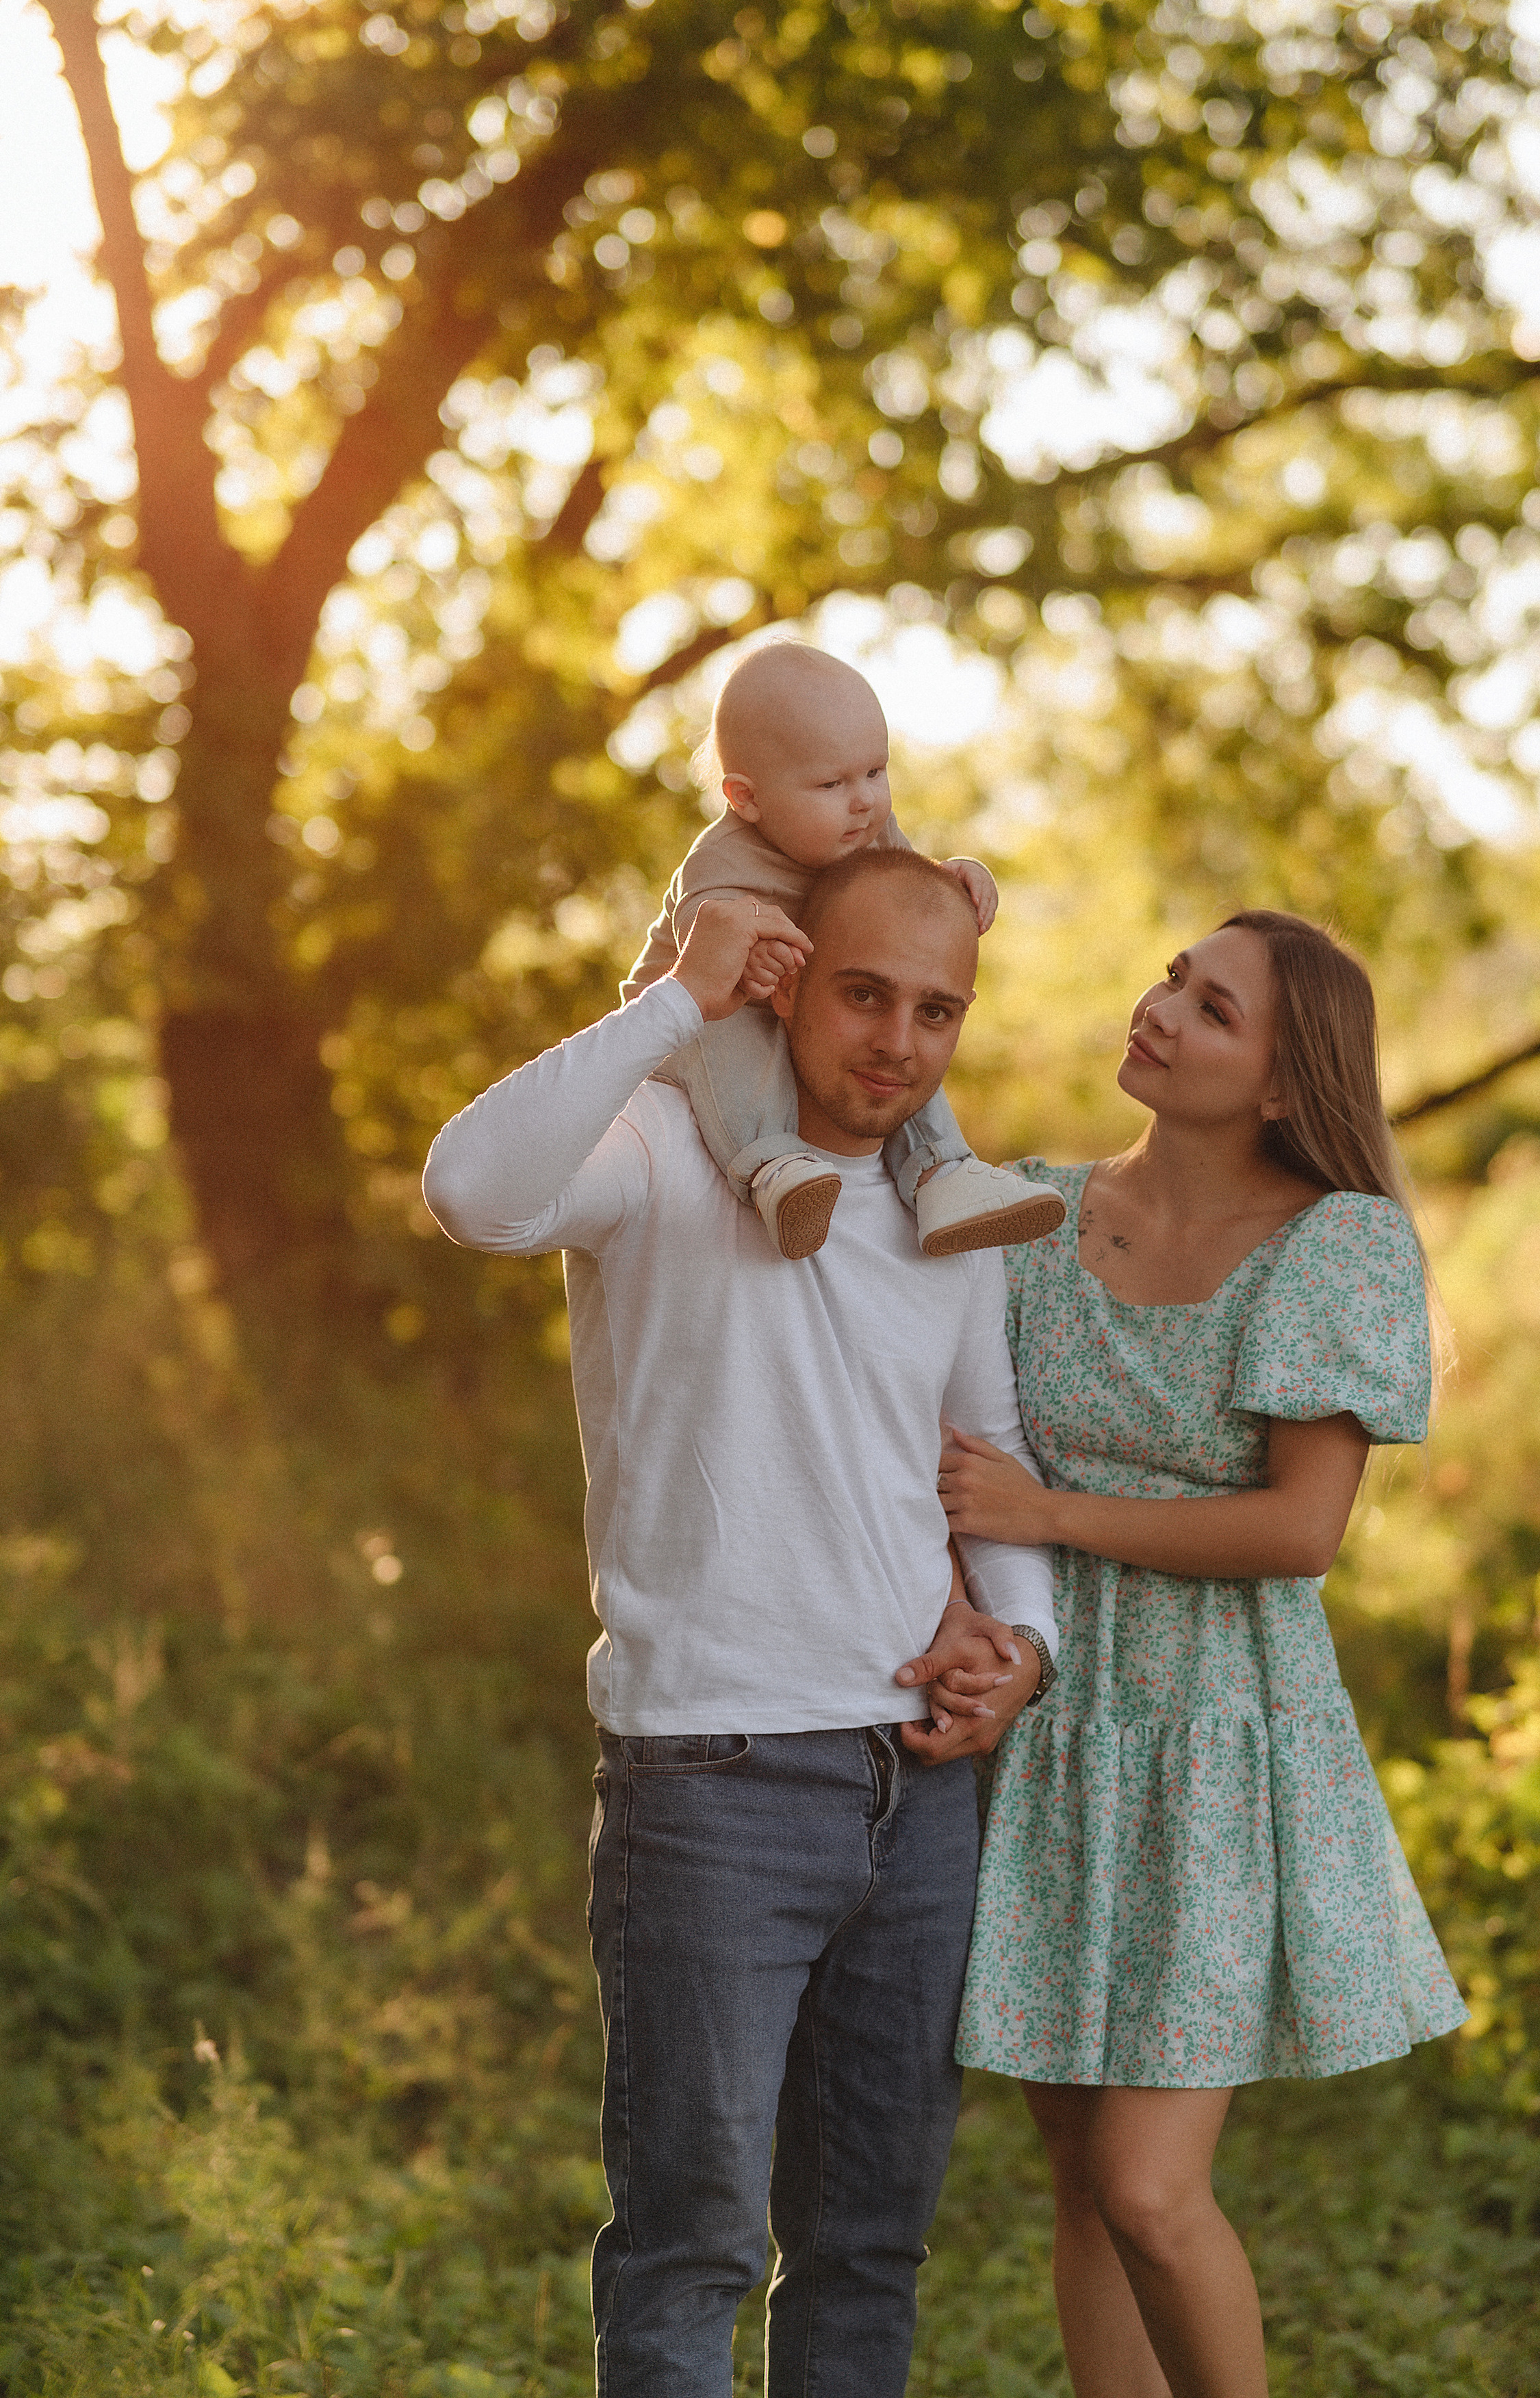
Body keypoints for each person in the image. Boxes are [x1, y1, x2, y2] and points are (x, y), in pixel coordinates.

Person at [422, 845, 1061, 2398]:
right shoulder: (658, 1149)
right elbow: (466, 1188)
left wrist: (1024, 1648)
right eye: (861, 993)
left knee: (863, 2250)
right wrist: (670, 1004)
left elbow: (991, 1463)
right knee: (688, 2248)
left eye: (935, 1009)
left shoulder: (947, 1210)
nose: (897, 1042)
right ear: (785, 977)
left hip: (914, 1796)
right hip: (708, 1781)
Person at [921, 908, 1468, 2398]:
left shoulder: (1332, 1243)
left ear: (1285, 1082)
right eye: (1173, 975)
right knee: (1080, 2176)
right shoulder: (1026, 1214)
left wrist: (1048, 1510)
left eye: (1211, 1007)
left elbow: (1300, 1528)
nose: (1158, 1006)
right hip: (1042, 1724)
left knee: (1150, 2186)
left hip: (1215, 1738)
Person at [622, 635, 1065, 1261]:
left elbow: (906, 888)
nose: (864, 799)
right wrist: (749, 954)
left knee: (898, 1018)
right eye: (831, 782)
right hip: (702, 1021)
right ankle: (771, 1165)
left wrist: (956, 875)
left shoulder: (863, 827)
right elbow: (708, 949)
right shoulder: (721, 864)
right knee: (730, 1039)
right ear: (746, 798)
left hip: (813, 1002)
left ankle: (943, 1171)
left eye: (876, 771)